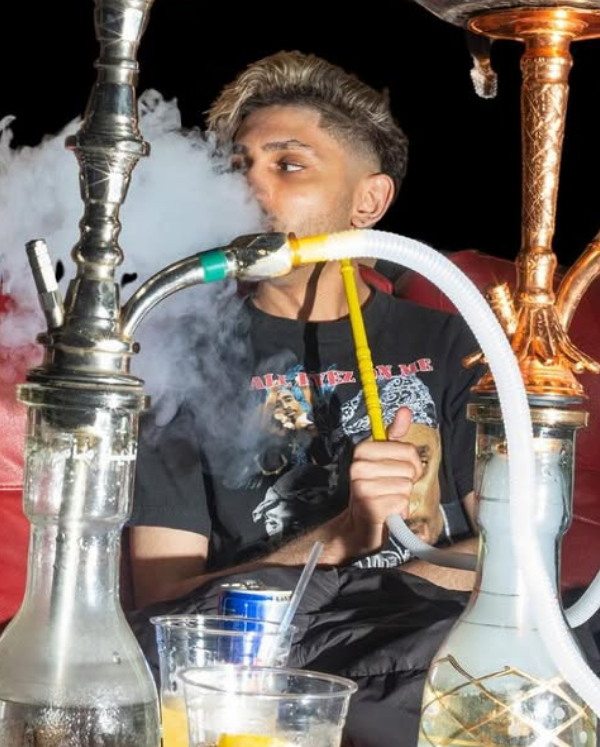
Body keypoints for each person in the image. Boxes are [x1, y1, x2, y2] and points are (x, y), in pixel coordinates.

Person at [128, 51, 482, 610]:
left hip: (436, 653)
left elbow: (521, 562)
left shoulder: (452, 344)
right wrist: (339, 538)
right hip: (269, 656)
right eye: (237, 167)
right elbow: (161, 601)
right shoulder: (179, 363)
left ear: (368, 201)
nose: (250, 190)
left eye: (287, 165)